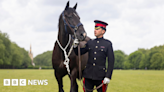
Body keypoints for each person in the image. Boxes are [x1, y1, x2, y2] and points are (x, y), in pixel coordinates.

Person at [73, 20, 115, 92]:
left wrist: (108, 76)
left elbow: (111, 61)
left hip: (101, 77)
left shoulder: (108, 44)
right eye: (95, 29)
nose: (95, 30)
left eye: (97, 29)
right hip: (88, 76)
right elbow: (79, 53)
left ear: (103, 31)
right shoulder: (90, 42)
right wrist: (75, 46)